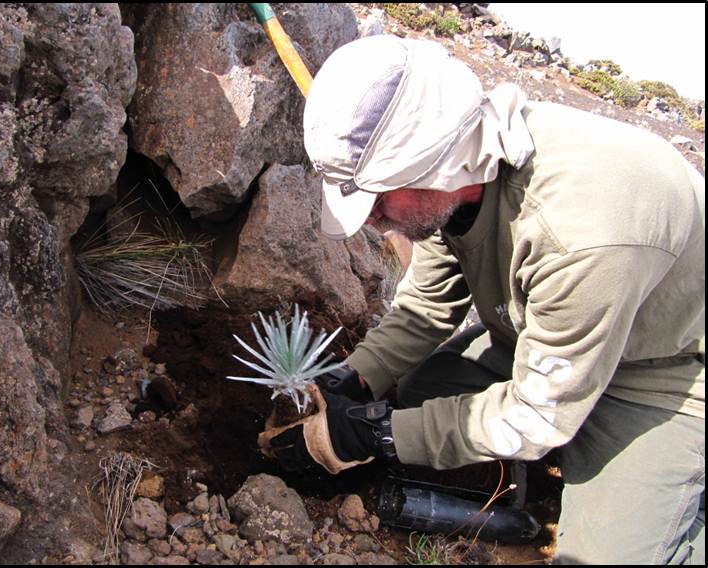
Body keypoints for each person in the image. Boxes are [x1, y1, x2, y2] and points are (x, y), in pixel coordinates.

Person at [258, 35, 705, 564]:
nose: (372, 218)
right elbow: (426, 308)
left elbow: (535, 414)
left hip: (661, 375)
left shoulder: (581, 229)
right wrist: (353, 377)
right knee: (420, 391)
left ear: (433, 164)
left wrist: (375, 436)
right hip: (544, 344)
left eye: (375, 194)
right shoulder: (461, 184)